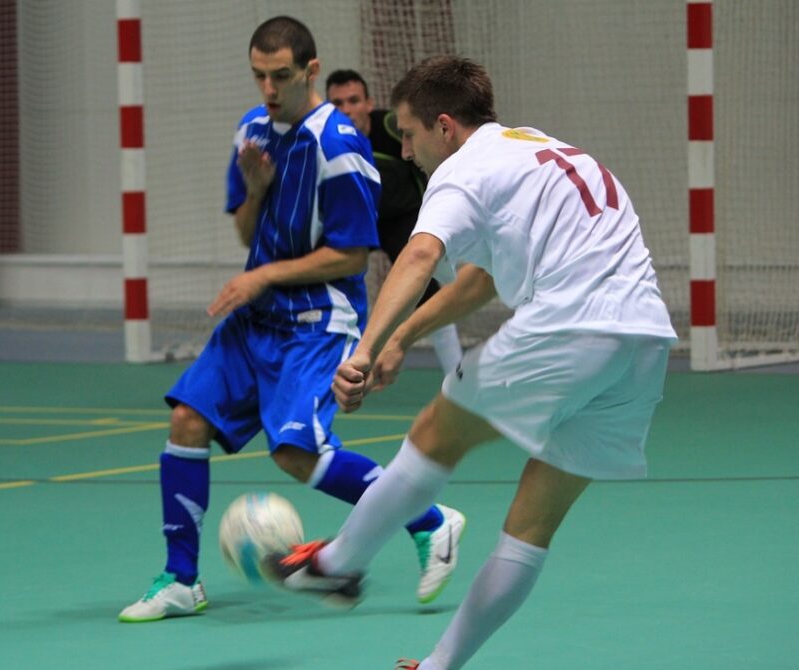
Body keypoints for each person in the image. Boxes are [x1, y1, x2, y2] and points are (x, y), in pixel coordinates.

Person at [268, 55, 677, 669]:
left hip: (571, 324)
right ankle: (438, 666)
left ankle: (335, 565)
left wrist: (364, 349)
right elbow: (479, 282)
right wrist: (405, 335)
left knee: (436, 434)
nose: (404, 152)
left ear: (444, 126)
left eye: (406, 134)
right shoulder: (535, 150)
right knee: (530, 526)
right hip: (644, 343)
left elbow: (417, 255)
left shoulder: (462, 170)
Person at [118, 18, 466, 624]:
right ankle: (180, 580)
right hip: (256, 322)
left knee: (296, 452)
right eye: (258, 75)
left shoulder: (339, 146)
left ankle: (430, 518)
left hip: (317, 321)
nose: (268, 88)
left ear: (310, 71)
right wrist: (254, 192)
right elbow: (248, 233)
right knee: (186, 420)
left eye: (280, 75)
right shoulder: (252, 133)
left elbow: (352, 255)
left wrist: (260, 277)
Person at [325, 69, 463, 375]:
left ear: (368, 103)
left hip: (403, 217)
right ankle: (334, 369)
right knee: (327, 286)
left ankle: (457, 374)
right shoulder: (323, 140)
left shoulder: (391, 126)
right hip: (357, 223)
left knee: (429, 291)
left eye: (353, 100)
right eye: (338, 103)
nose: (347, 109)